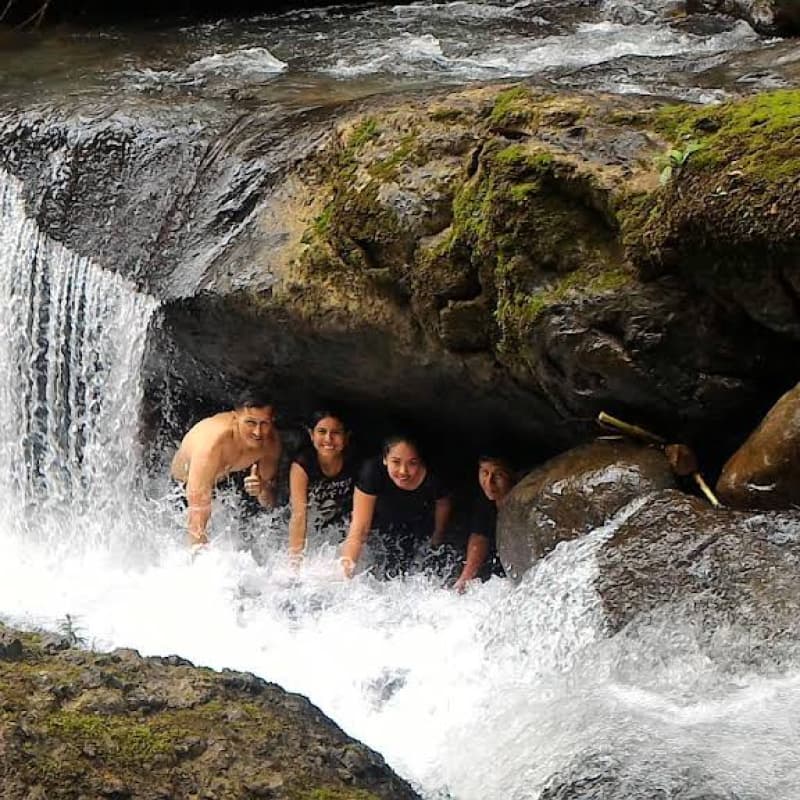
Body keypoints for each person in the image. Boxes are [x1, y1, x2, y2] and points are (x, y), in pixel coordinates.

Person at [170, 393, 282, 546]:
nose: (258, 432)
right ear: (235, 417)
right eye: (250, 423)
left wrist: (261, 488)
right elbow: (197, 510)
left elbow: (268, 502)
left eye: (264, 423)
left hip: (228, 481)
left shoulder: (270, 443)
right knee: (183, 542)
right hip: (183, 488)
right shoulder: (211, 445)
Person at [340, 435, 451, 579]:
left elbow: (443, 504)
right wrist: (345, 573)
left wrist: (437, 537)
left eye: (412, 463)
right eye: (396, 462)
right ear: (385, 459)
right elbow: (359, 529)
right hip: (382, 525)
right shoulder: (372, 471)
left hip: (420, 525)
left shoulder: (435, 477)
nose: (403, 471)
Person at [288, 411, 357, 562]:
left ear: (346, 437)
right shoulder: (302, 465)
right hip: (309, 530)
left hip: (340, 530)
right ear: (311, 434)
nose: (328, 439)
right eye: (322, 432)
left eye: (336, 433)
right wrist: (295, 562)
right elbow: (299, 516)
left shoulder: (354, 462)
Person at [453, 455, 515, 593]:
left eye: (498, 475)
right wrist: (465, 579)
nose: (489, 482)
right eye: (485, 473)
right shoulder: (485, 503)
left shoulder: (522, 503)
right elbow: (479, 536)